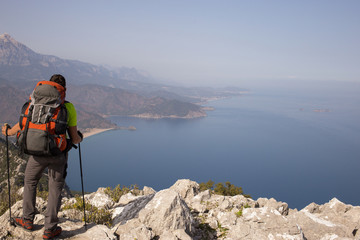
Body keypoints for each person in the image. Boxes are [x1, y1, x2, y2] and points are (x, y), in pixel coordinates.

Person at [1, 74, 83, 239]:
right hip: (57, 155)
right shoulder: (67, 107)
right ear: (63, 90)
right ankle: (50, 228)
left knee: (30, 182)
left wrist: (7, 131)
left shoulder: (34, 103)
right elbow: (74, 138)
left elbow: (23, 124)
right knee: (55, 188)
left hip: (36, 153)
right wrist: (80, 138)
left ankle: (27, 220)